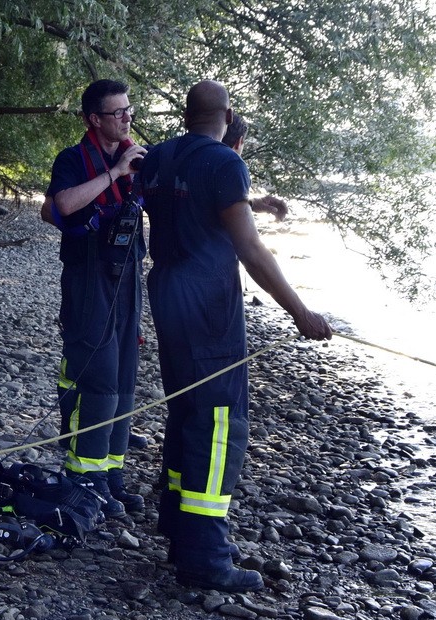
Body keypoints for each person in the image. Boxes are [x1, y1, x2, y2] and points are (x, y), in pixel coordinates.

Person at [139, 80, 333, 592]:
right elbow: (249, 248)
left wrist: (250, 200)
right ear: (227, 114)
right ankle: (205, 559)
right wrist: (301, 313)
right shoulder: (226, 162)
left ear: (187, 114)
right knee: (218, 424)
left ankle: (179, 532)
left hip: (166, 297)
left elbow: (194, 207)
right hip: (207, 309)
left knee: (184, 409)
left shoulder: (157, 157)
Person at [43, 79, 148, 519]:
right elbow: (61, 205)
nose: (126, 118)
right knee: (99, 376)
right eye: (117, 112)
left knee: (124, 377)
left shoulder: (139, 157)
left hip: (127, 277)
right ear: (94, 119)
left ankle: (112, 475)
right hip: (88, 277)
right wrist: (116, 172)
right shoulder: (73, 159)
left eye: (129, 111)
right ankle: (84, 476)